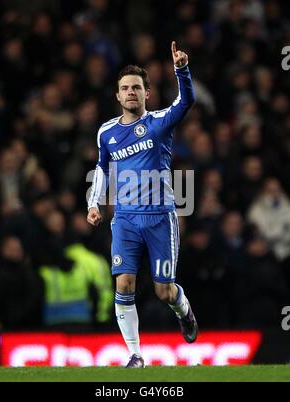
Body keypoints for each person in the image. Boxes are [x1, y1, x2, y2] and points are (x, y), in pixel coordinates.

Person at [87, 41, 197, 368]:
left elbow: (186, 100)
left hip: (160, 218)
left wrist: (182, 69)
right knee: (123, 282)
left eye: (137, 87)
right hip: (125, 219)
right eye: (125, 88)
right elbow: (102, 169)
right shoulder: (106, 132)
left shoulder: (159, 122)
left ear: (147, 94)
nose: (131, 92)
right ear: (117, 96)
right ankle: (135, 354)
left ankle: (184, 311)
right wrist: (94, 203)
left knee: (164, 291)